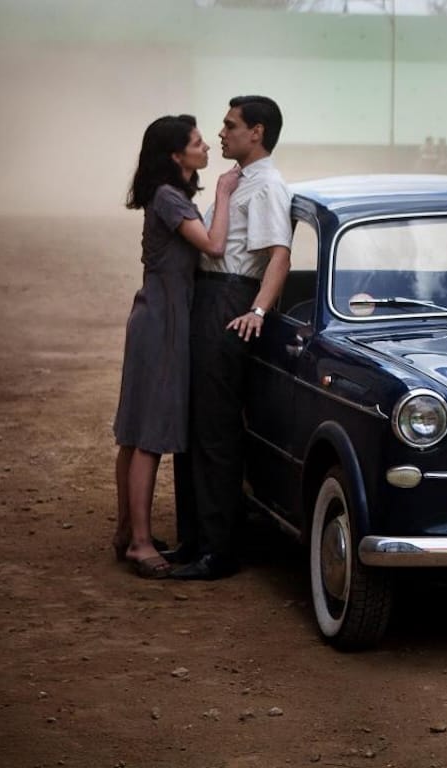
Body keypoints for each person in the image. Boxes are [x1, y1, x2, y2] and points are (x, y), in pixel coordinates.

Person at [170, 96, 293, 580]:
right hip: (211, 296)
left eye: (230, 125)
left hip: (228, 297)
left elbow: (279, 254)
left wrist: (257, 310)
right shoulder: (239, 181)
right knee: (195, 421)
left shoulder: (266, 186)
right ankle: (196, 539)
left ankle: (217, 549)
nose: (222, 134)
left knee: (216, 426)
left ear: (256, 132)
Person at [113, 115, 239, 578]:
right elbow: (215, 245)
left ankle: (127, 531)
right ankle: (141, 545)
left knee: (133, 434)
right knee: (150, 436)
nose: (206, 146)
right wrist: (224, 195)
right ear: (175, 155)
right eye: (197, 142)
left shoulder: (171, 196)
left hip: (153, 317)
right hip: (163, 323)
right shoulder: (170, 198)